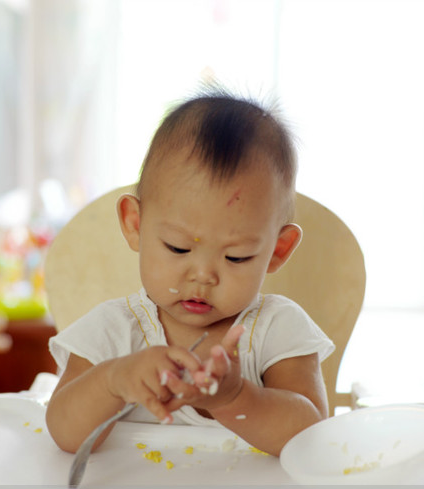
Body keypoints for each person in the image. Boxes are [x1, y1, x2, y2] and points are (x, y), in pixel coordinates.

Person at [45, 89, 334, 457]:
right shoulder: (114, 331)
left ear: (277, 251)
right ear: (135, 224)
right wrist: (114, 381)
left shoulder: (277, 330)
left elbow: (309, 438)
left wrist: (234, 397)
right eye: (178, 248)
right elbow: (64, 434)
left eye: (237, 257)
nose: (202, 276)